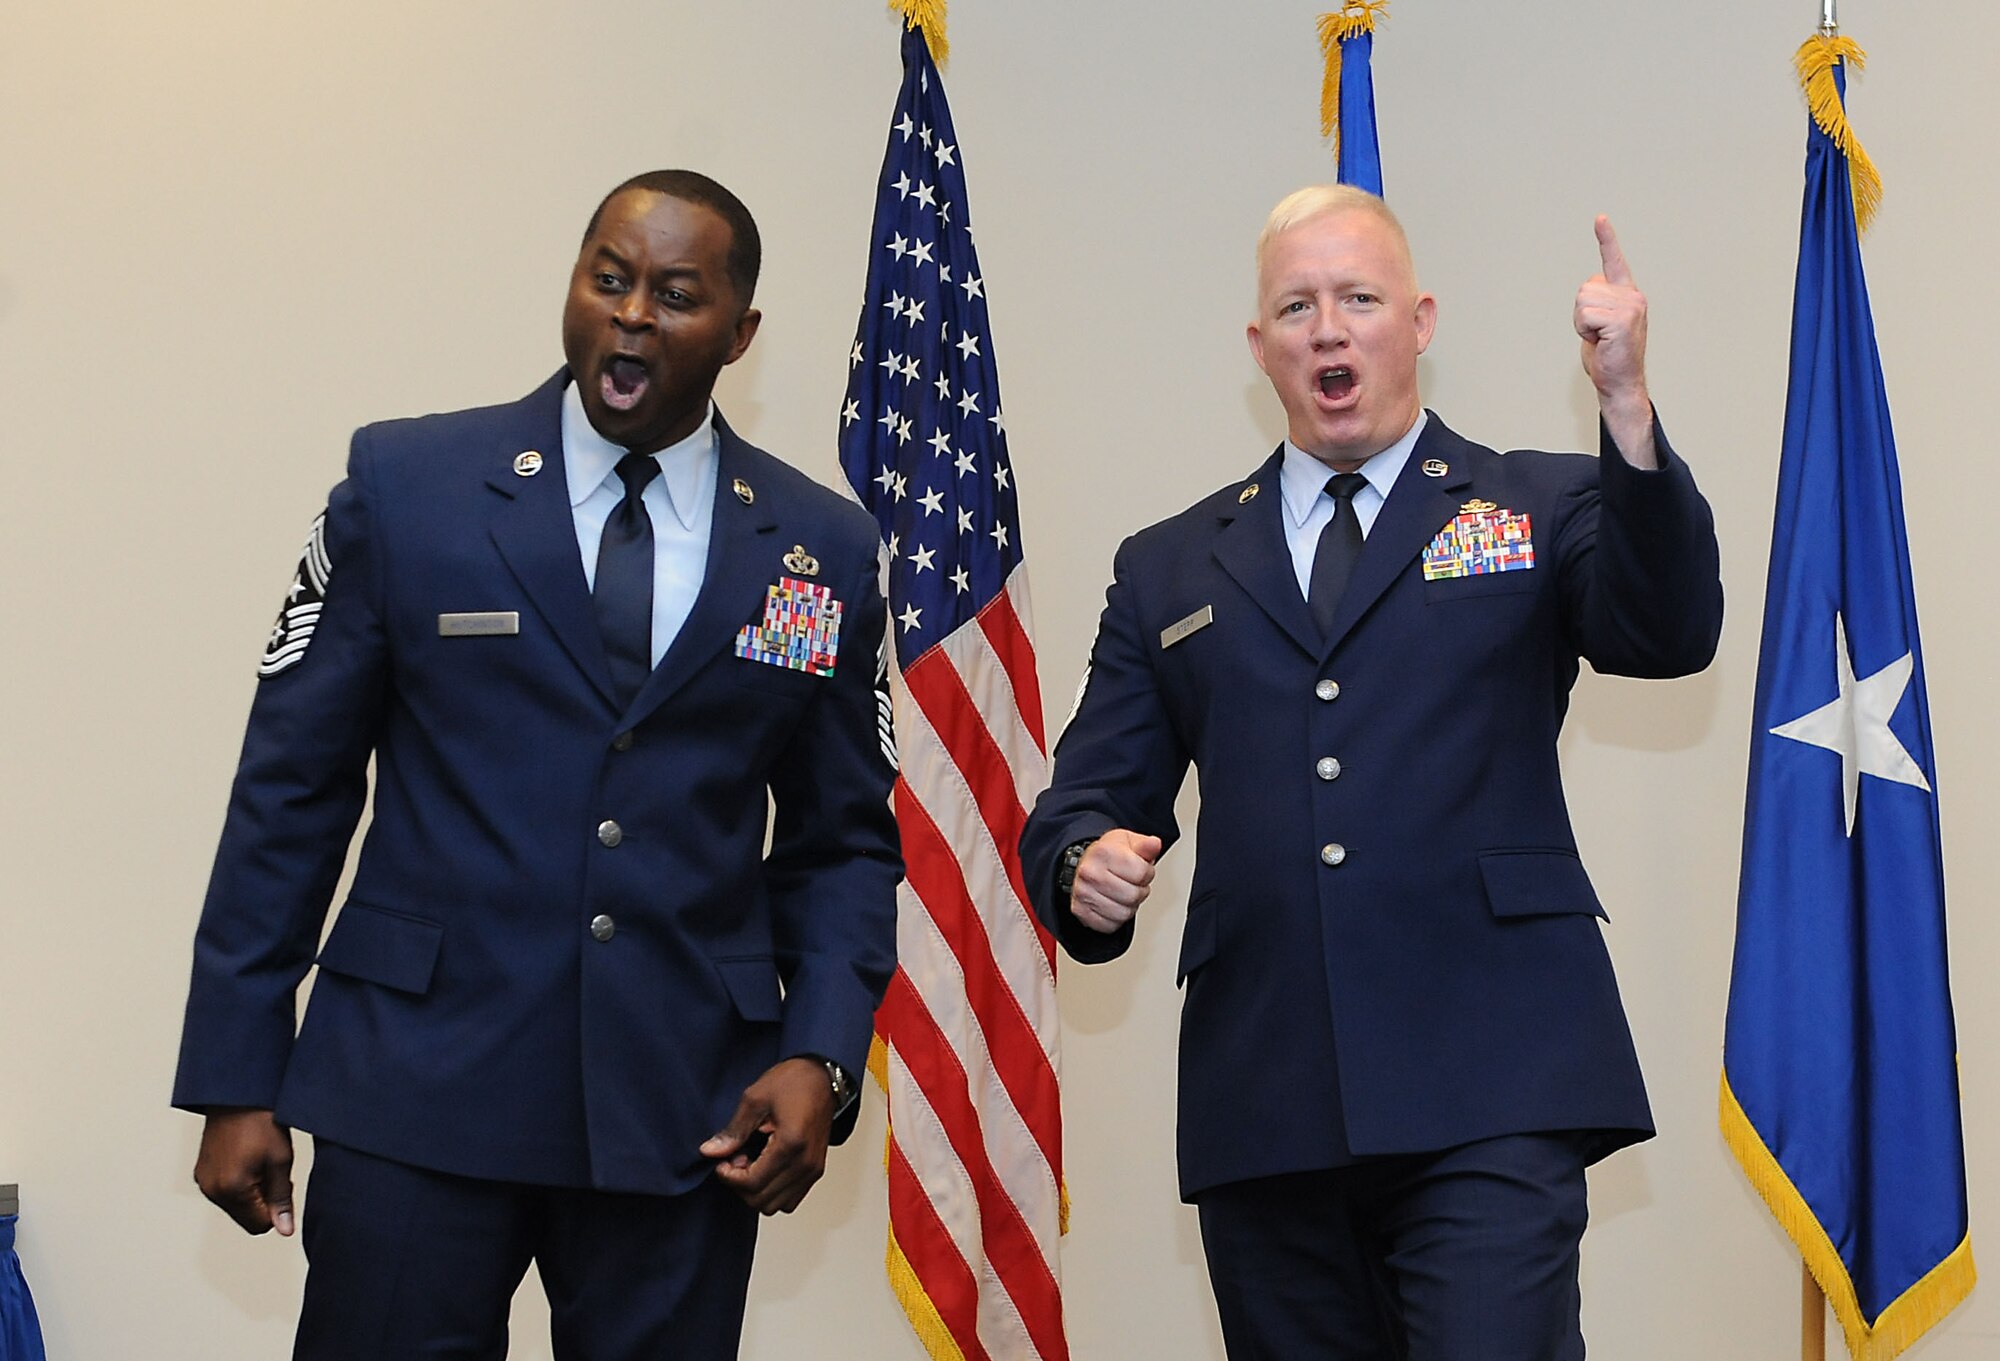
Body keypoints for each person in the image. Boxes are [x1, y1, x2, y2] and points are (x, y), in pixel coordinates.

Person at [172, 169, 902, 1360]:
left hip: (682, 1111)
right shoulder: (409, 490)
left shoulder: (815, 547)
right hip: (414, 1087)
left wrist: (818, 1047)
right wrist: (234, 1071)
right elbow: (289, 794)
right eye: (606, 278)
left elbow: (840, 841)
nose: (629, 315)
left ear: (739, 333)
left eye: (673, 293)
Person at [1020, 185, 1723, 1359]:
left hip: (1495, 1080)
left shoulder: (1532, 499)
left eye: (1358, 297)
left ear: (1418, 320)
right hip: (1268, 1096)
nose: (1328, 328)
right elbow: (1091, 789)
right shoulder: (1168, 564)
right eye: (1296, 306)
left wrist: (1624, 403)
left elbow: (1664, 632)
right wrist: (1079, 862)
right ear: (1261, 348)